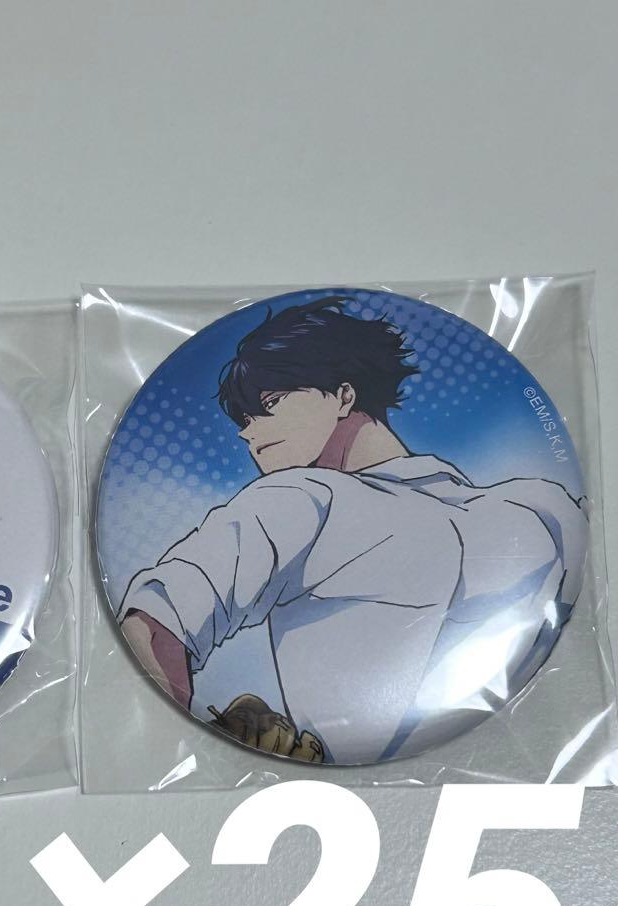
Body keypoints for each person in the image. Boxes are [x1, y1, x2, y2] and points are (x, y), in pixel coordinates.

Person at [118, 297, 586, 764]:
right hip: (383, 779)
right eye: (243, 420)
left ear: (343, 395)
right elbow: (155, 621)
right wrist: (200, 754)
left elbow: (156, 620)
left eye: (270, 403)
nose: (247, 433)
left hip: (515, 766)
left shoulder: (302, 500)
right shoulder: (543, 507)